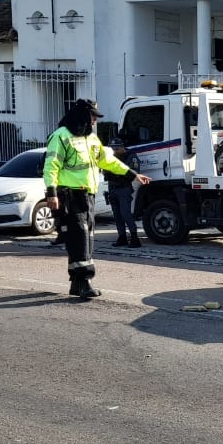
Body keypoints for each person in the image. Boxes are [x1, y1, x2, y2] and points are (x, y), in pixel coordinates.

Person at [44, 100, 152, 300]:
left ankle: (77, 283)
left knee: (86, 237)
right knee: (80, 238)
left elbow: (107, 161)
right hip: (70, 194)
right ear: (82, 116)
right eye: (93, 116)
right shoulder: (61, 136)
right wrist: (51, 193)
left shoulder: (92, 140)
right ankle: (85, 281)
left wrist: (132, 174)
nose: (94, 121)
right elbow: (51, 166)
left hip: (88, 195)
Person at [105, 135, 142, 248]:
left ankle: (134, 237)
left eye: (116, 149)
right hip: (112, 188)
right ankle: (122, 237)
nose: (114, 151)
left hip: (123, 189)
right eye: (112, 149)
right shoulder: (110, 157)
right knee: (117, 216)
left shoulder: (131, 156)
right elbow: (105, 172)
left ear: (122, 147)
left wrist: (116, 173)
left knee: (126, 214)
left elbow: (133, 173)